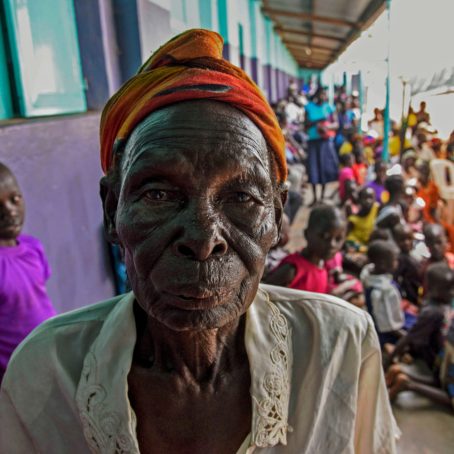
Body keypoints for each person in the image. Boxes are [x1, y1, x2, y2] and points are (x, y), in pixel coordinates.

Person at [0, 30, 398, 453]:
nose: (204, 239)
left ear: (277, 218)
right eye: (158, 194)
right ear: (112, 210)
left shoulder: (340, 345)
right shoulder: (46, 372)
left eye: (241, 197)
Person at [0, 163, 56, 383]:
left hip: (51, 355)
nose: (9, 211)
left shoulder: (32, 247)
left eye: (14, 199)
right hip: (16, 376)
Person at [385, 264, 454, 406]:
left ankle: (401, 373)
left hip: (443, 358)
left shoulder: (438, 304)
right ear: (433, 289)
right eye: (448, 288)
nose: (453, 292)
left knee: (440, 381)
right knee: (446, 387)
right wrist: (388, 361)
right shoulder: (434, 311)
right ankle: (409, 384)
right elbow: (409, 337)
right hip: (443, 358)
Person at [264, 205, 345, 294]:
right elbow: (263, 297)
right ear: (307, 234)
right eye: (324, 236)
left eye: (338, 239)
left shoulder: (323, 265)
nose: (332, 244)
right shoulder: (292, 271)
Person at [361, 240, 405, 347]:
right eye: (394, 260)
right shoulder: (384, 291)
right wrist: (404, 336)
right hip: (382, 332)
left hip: (375, 317)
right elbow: (387, 324)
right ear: (383, 264)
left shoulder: (367, 271)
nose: (397, 263)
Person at [304, 86, 339, 205]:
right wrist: (317, 122)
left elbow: (336, 124)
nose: (323, 97)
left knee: (323, 169)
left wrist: (326, 126)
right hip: (313, 142)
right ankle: (314, 197)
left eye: (325, 95)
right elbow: (305, 125)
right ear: (317, 95)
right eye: (321, 94)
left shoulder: (329, 107)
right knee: (313, 170)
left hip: (325, 142)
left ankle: (322, 196)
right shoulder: (309, 107)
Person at [392, 223, 421, 305]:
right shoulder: (399, 260)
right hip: (409, 298)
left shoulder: (416, 254)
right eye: (402, 240)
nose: (406, 243)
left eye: (409, 239)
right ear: (396, 240)